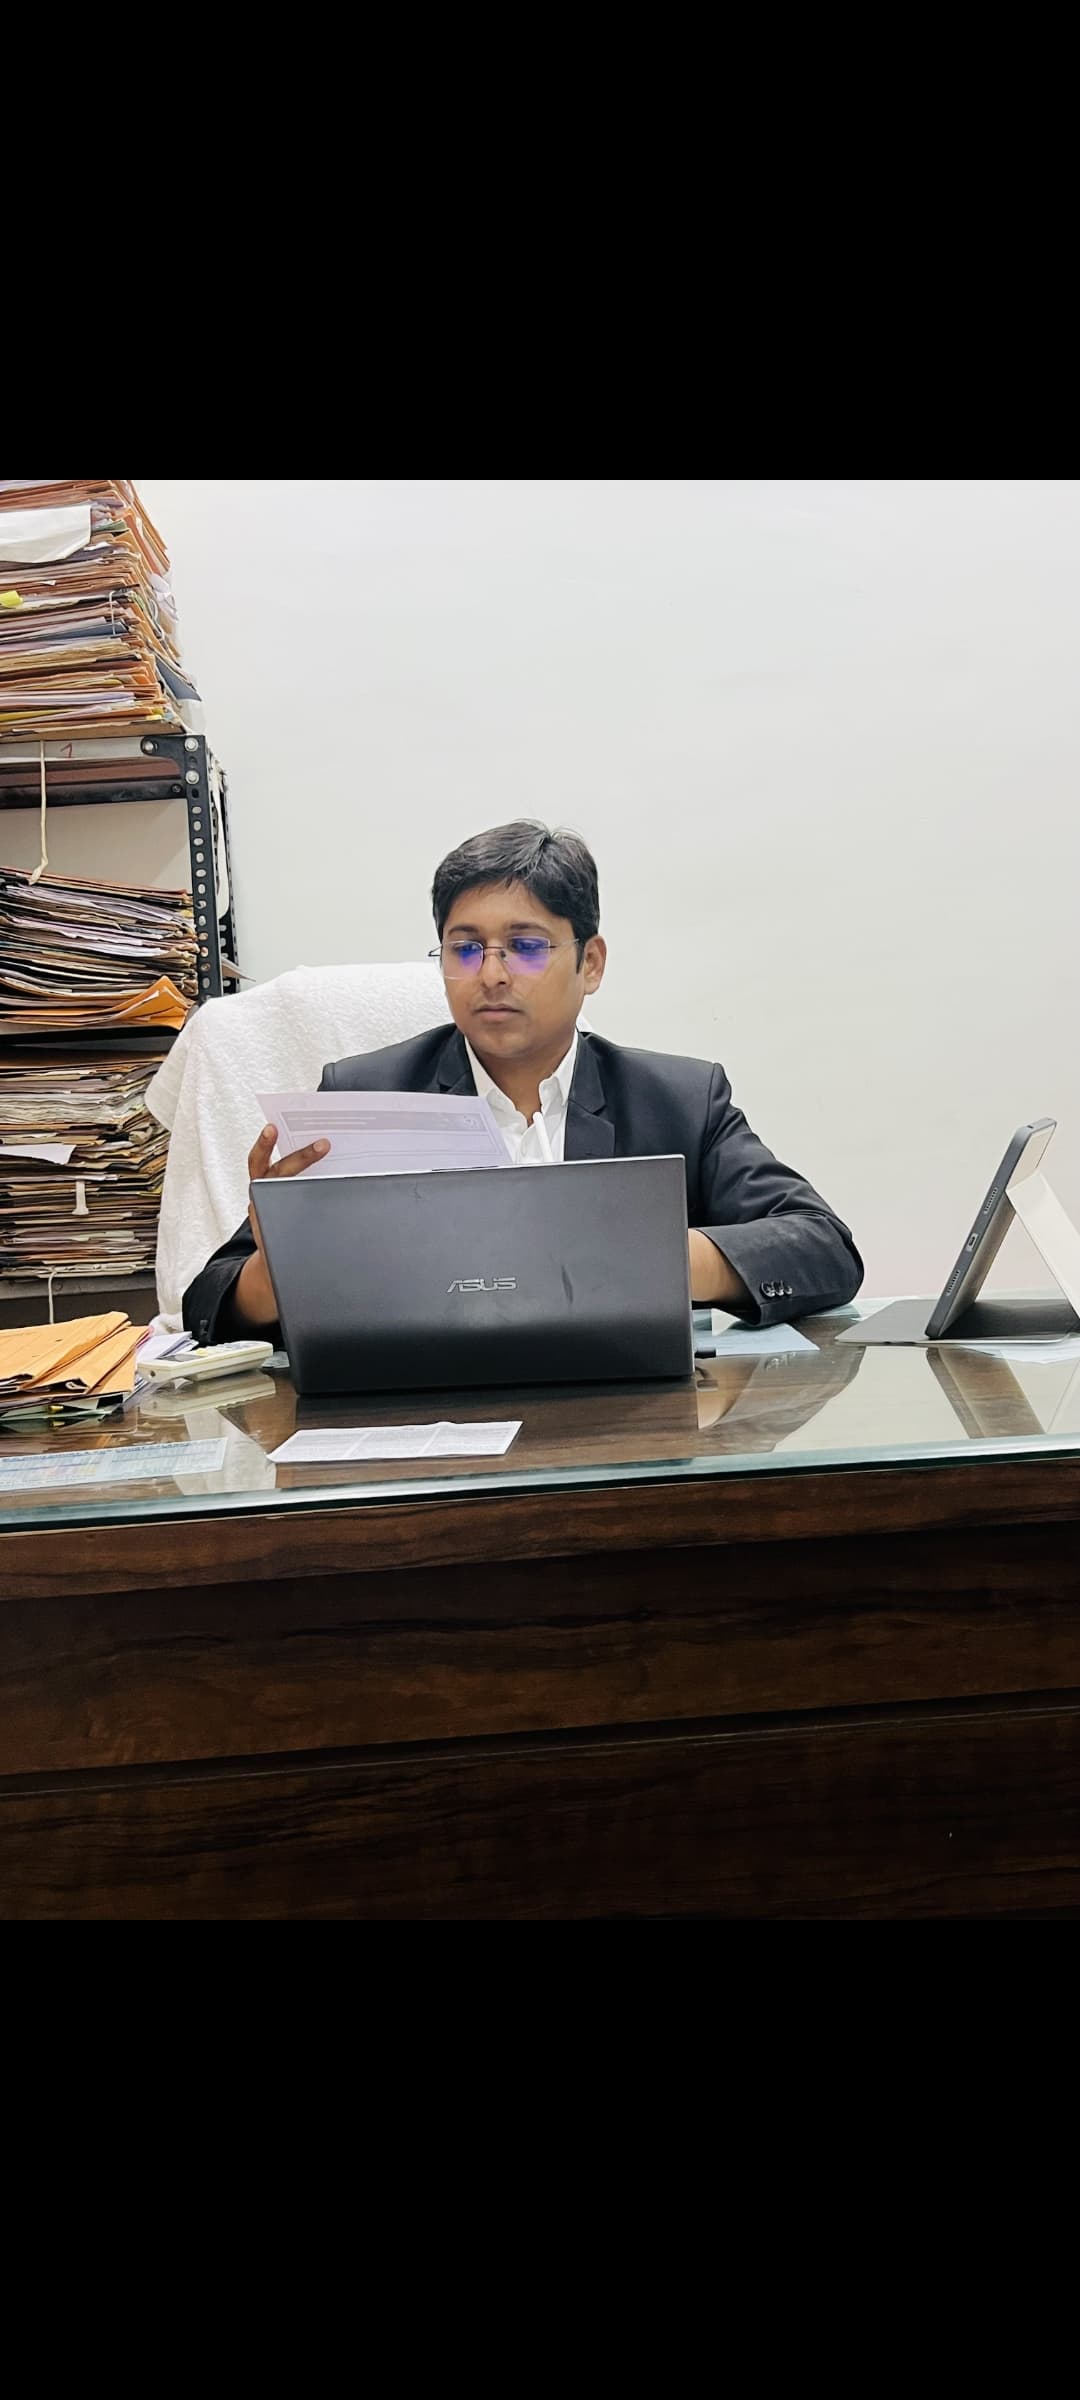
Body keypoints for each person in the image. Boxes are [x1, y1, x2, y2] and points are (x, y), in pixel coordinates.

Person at [183, 821, 863, 1344]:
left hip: (624, 1414)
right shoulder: (364, 1098)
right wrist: (280, 1270)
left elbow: (824, 1248)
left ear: (590, 964)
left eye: (527, 946)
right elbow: (207, 1303)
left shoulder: (678, 1099)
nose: (492, 973)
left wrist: (662, 1260)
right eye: (465, 947)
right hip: (424, 1412)